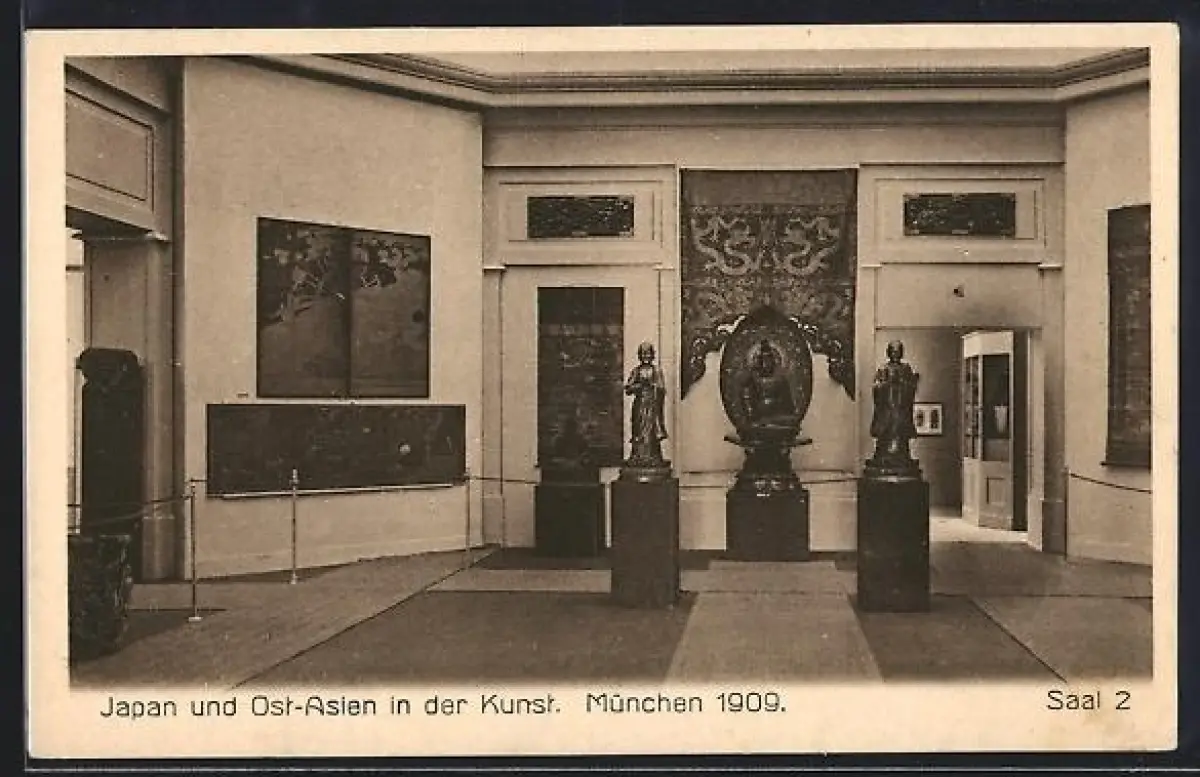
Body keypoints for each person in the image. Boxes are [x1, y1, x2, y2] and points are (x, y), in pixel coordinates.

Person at [869, 340, 920, 465]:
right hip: (887, 409)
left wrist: (905, 382)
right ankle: (882, 454)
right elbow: (876, 388)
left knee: (901, 433)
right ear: (889, 353)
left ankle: (903, 454)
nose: (895, 354)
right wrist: (888, 383)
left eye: (898, 351)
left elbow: (911, 387)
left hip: (901, 408)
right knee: (886, 433)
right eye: (893, 351)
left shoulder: (906, 368)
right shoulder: (883, 369)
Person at [740, 340, 799, 432]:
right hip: (758, 415)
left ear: (774, 360)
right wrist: (751, 413)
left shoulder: (780, 379)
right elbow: (746, 398)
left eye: (769, 359)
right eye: (763, 359)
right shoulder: (752, 378)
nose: (766, 363)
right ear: (758, 361)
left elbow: (788, 403)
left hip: (777, 415)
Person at [625, 341, 667, 466]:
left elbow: (661, 388)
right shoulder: (636, 371)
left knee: (652, 431)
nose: (646, 356)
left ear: (652, 355)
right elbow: (628, 389)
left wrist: (654, 386)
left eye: (648, 353)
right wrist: (639, 386)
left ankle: (653, 456)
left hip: (652, 405)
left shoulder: (656, 371)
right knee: (638, 430)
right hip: (640, 405)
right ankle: (638, 456)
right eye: (643, 354)